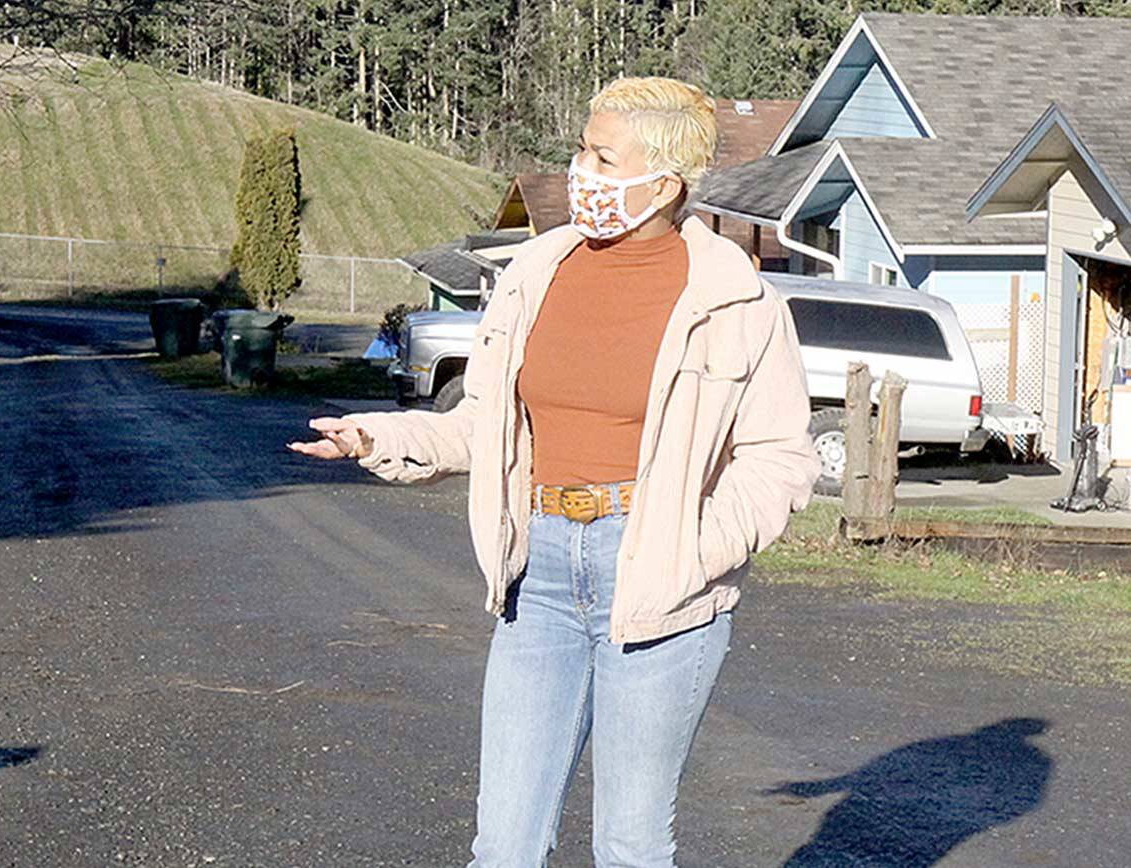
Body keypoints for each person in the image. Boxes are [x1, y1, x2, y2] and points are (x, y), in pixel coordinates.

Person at [289, 76, 820, 868]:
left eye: (601, 156)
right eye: (581, 149)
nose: (580, 170)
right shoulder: (535, 272)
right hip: (535, 578)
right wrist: (378, 437)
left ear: (664, 183)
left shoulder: (737, 302)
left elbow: (779, 457)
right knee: (503, 848)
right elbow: (485, 425)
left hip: (662, 587)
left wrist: (696, 547)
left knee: (630, 848)